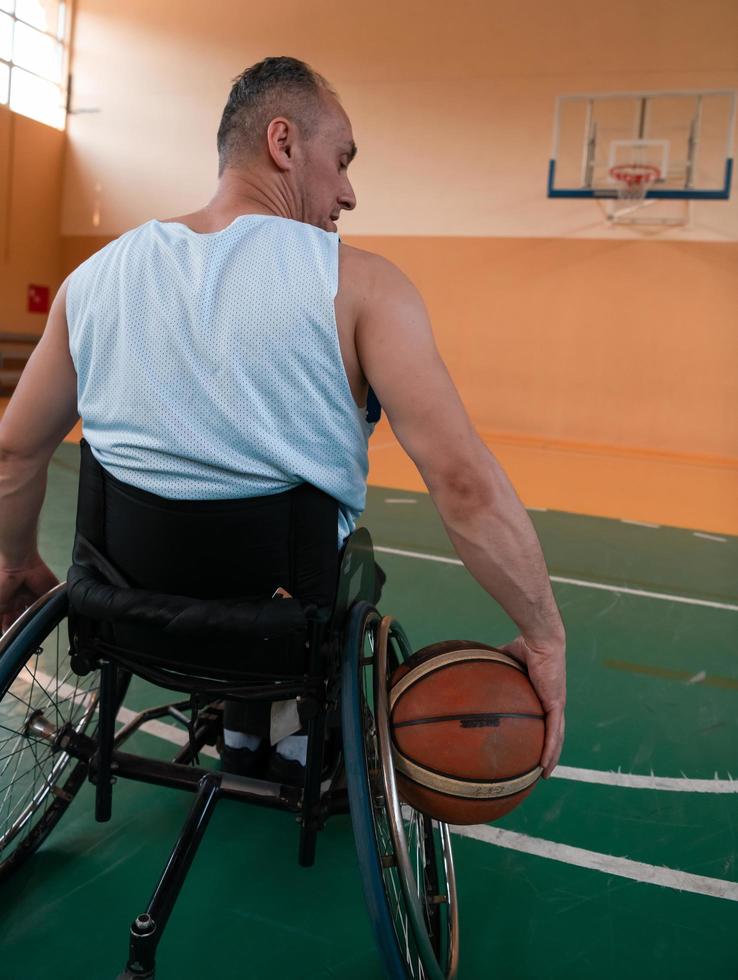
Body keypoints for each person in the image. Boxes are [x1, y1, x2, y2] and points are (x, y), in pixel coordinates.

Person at [0, 56, 566, 782]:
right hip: (279, 624)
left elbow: (15, 454)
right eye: (342, 161)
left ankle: (241, 730)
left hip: (126, 616)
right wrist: (544, 638)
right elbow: (462, 483)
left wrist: (15, 566)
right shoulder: (364, 287)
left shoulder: (95, 280)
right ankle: (288, 732)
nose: (350, 192)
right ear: (284, 143)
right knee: (346, 559)